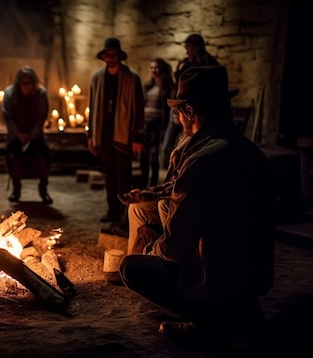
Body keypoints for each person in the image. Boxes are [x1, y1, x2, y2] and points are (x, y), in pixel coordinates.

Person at [118, 66, 275, 352]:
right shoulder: (249, 151)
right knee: (166, 208)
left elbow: (175, 249)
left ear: (189, 111)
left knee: (131, 268)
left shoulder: (202, 161)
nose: (177, 120)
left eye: (179, 112)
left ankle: (211, 322)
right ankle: (243, 311)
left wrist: (151, 249)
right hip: (252, 278)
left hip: (219, 280)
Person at [87, 37, 144, 225]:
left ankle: (126, 213)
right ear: (103, 57)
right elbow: (92, 107)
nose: (111, 58)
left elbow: (138, 109)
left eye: (114, 54)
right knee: (109, 173)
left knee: (123, 175)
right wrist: (91, 135)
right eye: (108, 54)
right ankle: (112, 211)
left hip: (123, 133)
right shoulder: (97, 78)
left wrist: (137, 136)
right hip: (103, 133)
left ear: (119, 56)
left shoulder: (131, 77)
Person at [161, 34, 219, 169]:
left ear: (196, 46)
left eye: (189, 46)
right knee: (169, 146)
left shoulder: (208, 63)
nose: (187, 50)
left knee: (192, 147)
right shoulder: (186, 62)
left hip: (196, 110)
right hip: (179, 106)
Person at [1, 66, 53, 204]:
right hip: (16, 135)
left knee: (43, 158)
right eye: (23, 83)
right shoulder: (10, 93)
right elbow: (8, 116)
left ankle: (43, 190)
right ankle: (16, 189)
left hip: (35, 136)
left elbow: (41, 117)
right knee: (13, 158)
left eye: (29, 83)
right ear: (18, 83)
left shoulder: (41, 94)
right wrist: (18, 133)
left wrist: (31, 135)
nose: (26, 86)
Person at [138, 58, 175, 187]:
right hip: (146, 125)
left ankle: (153, 183)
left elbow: (169, 108)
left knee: (154, 157)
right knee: (143, 156)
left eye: (157, 67)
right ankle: (143, 181)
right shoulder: (148, 86)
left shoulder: (167, 88)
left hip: (157, 125)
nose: (154, 70)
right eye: (152, 67)